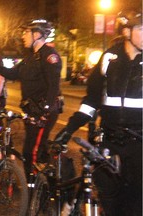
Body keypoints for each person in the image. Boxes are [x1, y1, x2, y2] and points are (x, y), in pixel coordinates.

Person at [55, 9, 142, 216]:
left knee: (135, 205)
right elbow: (92, 100)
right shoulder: (109, 58)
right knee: (110, 200)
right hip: (109, 142)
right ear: (127, 32)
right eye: (141, 28)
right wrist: (69, 128)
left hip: (140, 145)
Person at [0, 20, 63, 182]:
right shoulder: (31, 57)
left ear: (36, 34)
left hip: (44, 113)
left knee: (33, 152)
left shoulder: (50, 56)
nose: (23, 36)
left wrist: (45, 111)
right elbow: (12, 74)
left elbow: (53, 86)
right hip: (31, 111)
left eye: (26, 32)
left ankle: (35, 191)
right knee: (31, 151)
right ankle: (37, 187)